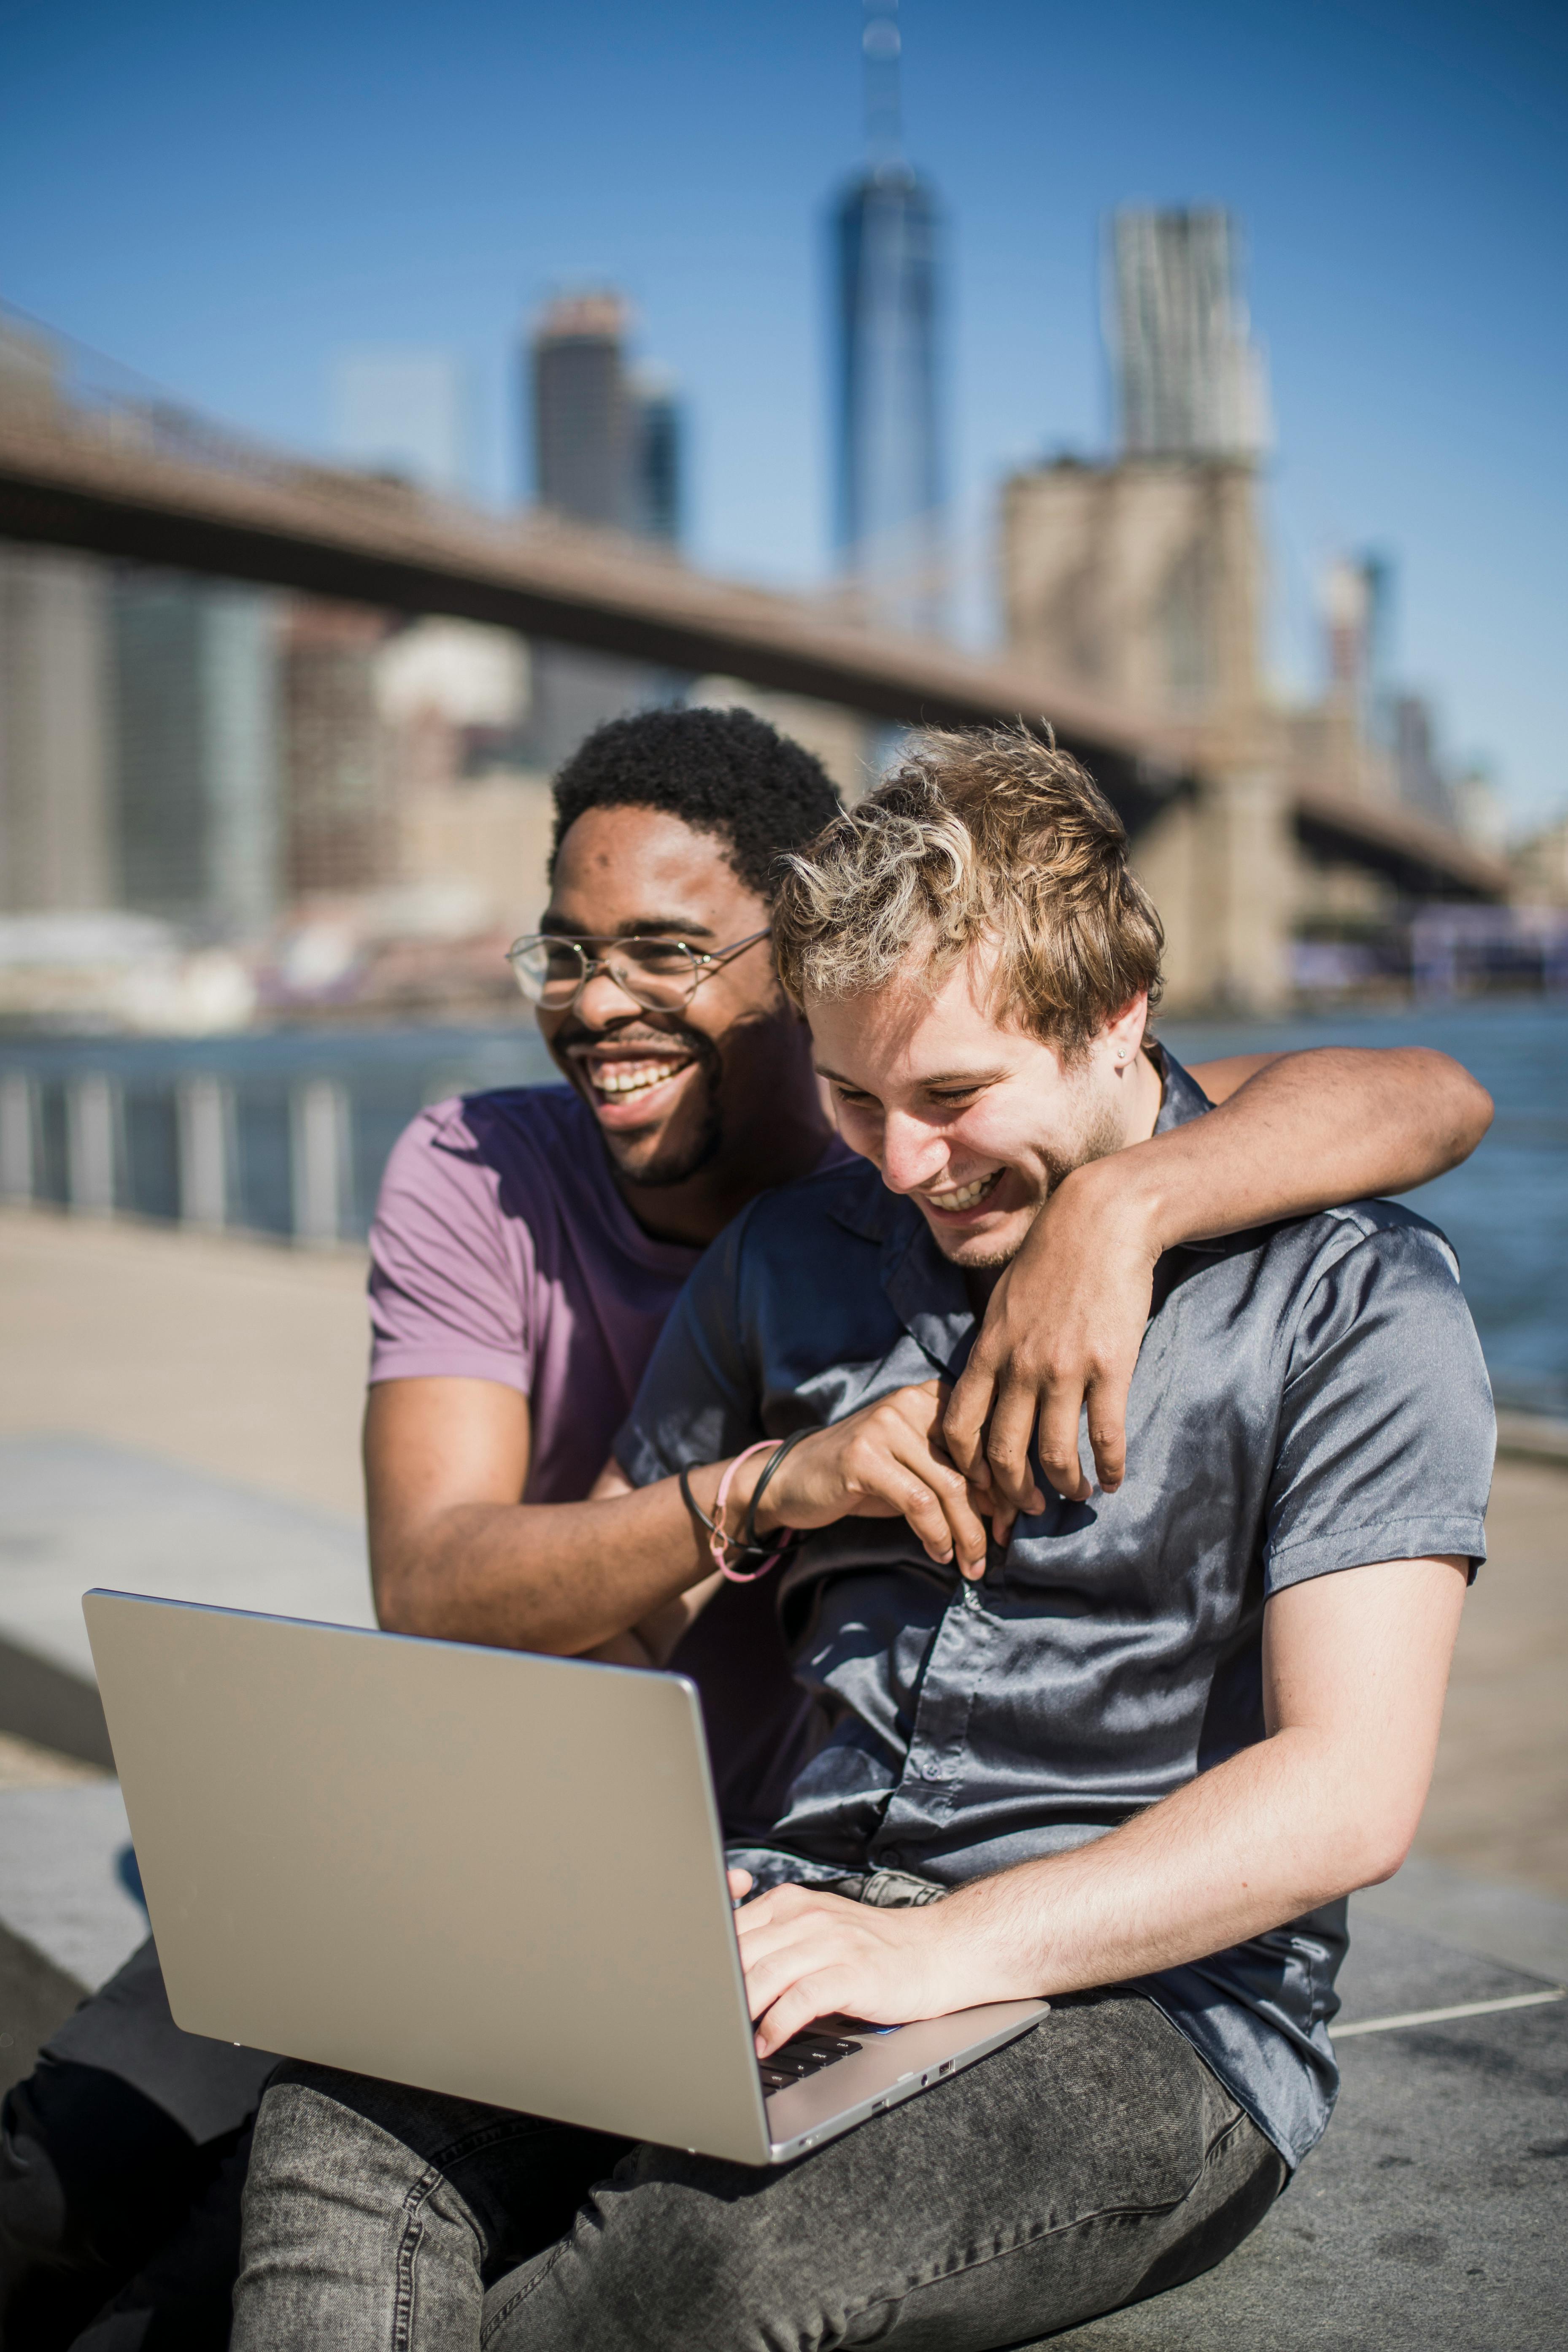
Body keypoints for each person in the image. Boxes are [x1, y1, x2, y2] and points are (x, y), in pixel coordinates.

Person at [0, 706, 1490, 2350]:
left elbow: (1348, 1794)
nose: (908, 1164)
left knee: (695, 2267)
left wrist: (938, 1949)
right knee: (347, 2124)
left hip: (1149, 2007)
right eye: (853, 1098)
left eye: (952, 1094)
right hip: (781, 1903)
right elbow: (585, 1630)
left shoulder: (1351, 1294)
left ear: (1118, 1017)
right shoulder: (793, 1255)